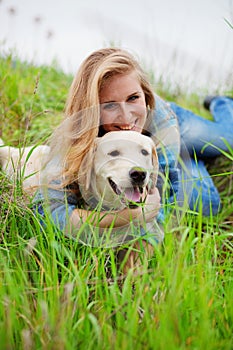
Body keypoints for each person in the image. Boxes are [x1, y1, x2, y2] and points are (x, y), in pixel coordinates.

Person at [34, 47, 233, 249]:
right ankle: (191, 157)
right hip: (157, 149)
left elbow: (157, 206)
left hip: (172, 127)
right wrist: (122, 217)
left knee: (227, 141)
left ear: (145, 95)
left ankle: (222, 103)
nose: (127, 116)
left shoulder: (161, 122)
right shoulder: (76, 135)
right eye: (109, 105)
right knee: (210, 203)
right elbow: (47, 211)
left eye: (133, 98)